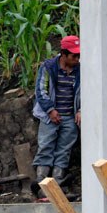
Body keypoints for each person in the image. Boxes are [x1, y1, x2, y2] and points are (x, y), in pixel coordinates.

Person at [31, 35, 81, 198]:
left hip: (70, 116)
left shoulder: (80, 70)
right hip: (49, 115)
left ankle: (58, 180)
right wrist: (50, 110)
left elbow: (86, 91)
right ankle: (41, 181)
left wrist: (80, 110)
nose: (77, 58)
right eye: (74, 55)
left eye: (78, 55)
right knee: (45, 145)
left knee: (64, 149)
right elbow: (41, 90)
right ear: (64, 54)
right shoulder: (48, 67)